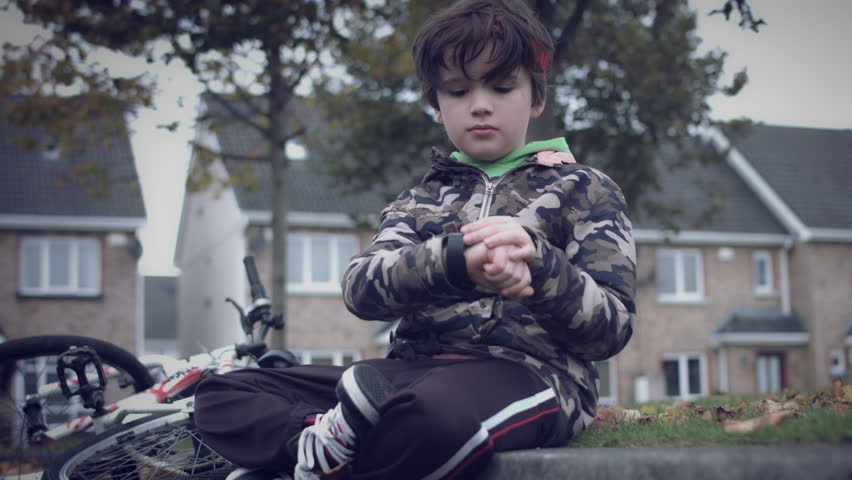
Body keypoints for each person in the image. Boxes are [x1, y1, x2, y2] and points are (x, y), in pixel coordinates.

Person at [193, 0, 636, 479]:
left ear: (536, 98)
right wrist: (452, 262)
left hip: (531, 375)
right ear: (435, 104)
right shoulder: (419, 201)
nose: (480, 103)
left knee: (433, 417)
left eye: (502, 86)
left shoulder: (583, 190)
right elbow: (360, 289)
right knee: (223, 393)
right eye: (458, 90)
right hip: (407, 372)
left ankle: (314, 462)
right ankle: (315, 445)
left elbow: (611, 328)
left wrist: (539, 266)